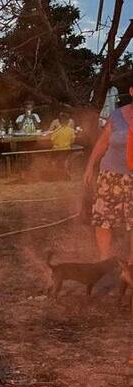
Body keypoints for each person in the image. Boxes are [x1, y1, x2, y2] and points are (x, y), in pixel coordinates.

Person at [83, 75, 133, 263]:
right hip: (110, 174)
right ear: (131, 91)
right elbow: (103, 142)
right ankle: (104, 261)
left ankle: (131, 265)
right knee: (103, 220)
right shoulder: (117, 115)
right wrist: (90, 166)